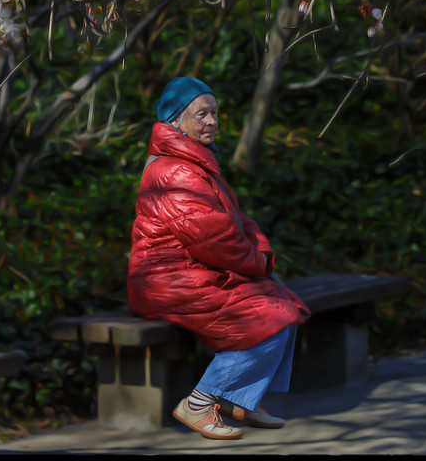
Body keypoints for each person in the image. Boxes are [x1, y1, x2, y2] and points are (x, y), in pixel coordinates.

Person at [128, 76, 310, 440]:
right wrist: (258, 262)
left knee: (284, 307)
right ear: (176, 121)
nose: (211, 121)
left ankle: (242, 399)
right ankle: (198, 403)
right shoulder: (176, 170)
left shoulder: (194, 163)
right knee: (270, 318)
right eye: (201, 114)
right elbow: (216, 241)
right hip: (169, 280)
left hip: (190, 273)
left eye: (214, 113)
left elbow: (236, 223)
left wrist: (258, 250)